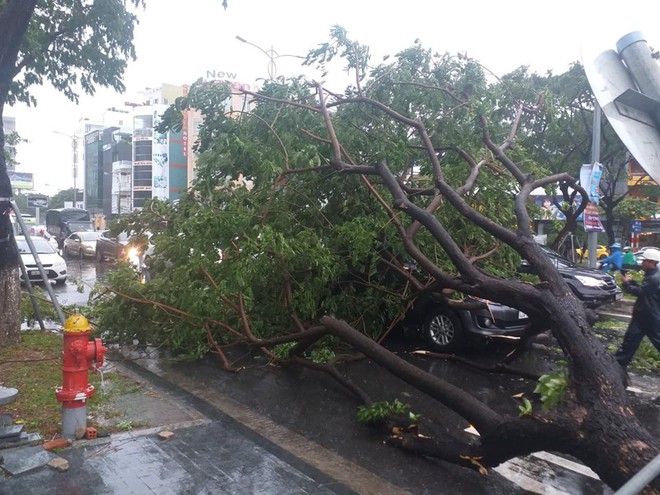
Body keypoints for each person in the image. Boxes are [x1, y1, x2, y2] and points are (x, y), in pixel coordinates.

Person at [614, 248, 660, 368]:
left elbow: (641, 292)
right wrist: (631, 282)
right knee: (629, 342)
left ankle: (618, 363)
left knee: (631, 341)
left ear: (651, 262)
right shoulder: (653, 275)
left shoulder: (654, 278)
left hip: (647, 316)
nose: (642, 263)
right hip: (646, 315)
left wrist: (625, 284)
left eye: (645, 260)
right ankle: (618, 364)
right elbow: (645, 289)